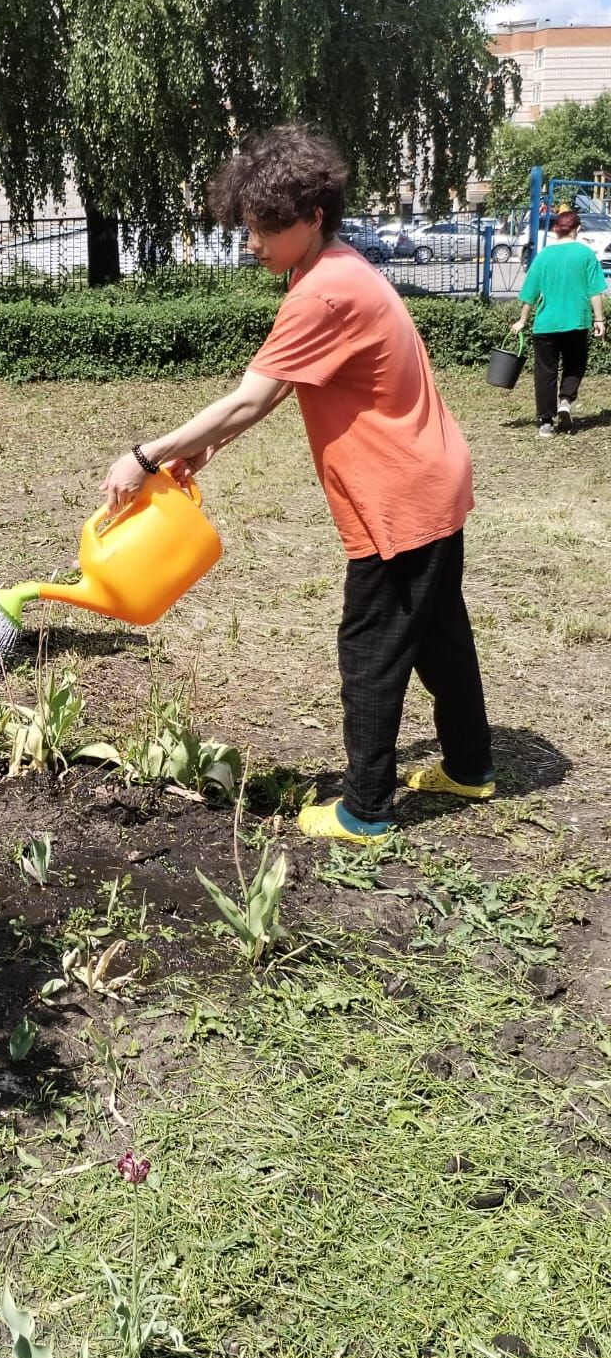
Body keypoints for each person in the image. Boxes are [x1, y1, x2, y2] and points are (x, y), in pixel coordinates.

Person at [101, 124, 494, 843]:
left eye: (267, 229)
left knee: (371, 647)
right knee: (440, 634)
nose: (254, 244)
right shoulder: (338, 268)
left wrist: (147, 453)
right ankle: (470, 765)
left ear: (313, 218)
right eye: (248, 227)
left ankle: (366, 809)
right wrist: (206, 445)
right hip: (434, 478)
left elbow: (252, 396)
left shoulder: (323, 292)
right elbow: (276, 394)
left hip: (398, 496)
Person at [509, 208, 605, 437]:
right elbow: (595, 292)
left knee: (545, 372)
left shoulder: (543, 256)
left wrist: (522, 320)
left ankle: (545, 422)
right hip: (576, 323)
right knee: (575, 365)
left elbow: (529, 293)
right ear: (577, 229)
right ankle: (565, 400)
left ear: (555, 230)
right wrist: (599, 319)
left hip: (545, 325)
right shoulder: (586, 255)